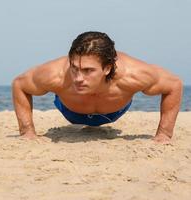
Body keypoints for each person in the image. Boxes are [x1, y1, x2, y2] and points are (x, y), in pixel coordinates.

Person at [12, 31, 183, 144]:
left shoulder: (134, 74)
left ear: (107, 68)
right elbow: (20, 85)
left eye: (88, 71)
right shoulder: (55, 74)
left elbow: (174, 85)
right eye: (74, 68)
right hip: (70, 110)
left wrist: (164, 134)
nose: (78, 78)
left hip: (114, 111)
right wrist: (28, 132)